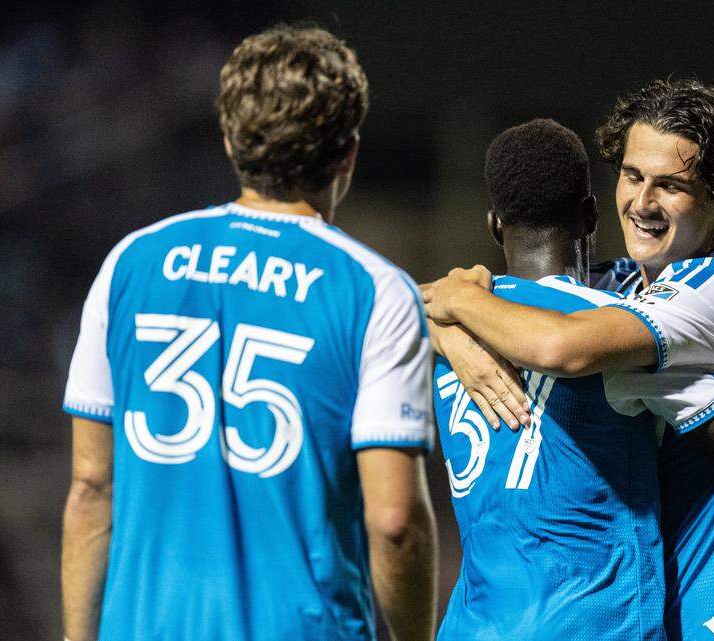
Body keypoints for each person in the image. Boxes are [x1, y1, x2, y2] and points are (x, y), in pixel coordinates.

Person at [424, 80, 714, 641]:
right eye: (632, 176)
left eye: (669, 185)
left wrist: (460, 302)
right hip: (634, 599)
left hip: (707, 602)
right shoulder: (612, 293)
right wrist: (444, 328)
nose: (643, 203)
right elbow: (411, 305)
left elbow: (561, 346)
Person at [61, 26, 437, 641]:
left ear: (231, 139)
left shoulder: (129, 262)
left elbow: (90, 488)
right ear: (348, 152)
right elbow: (395, 522)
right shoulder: (374, 291)